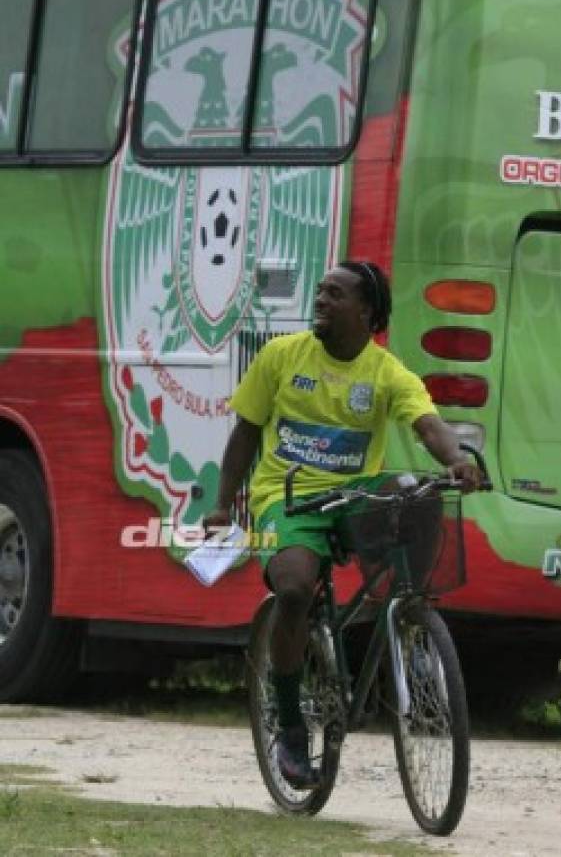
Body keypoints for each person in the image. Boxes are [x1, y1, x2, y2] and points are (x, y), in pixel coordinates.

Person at [206, 261, 481, 789]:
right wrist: (224, 504)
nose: (322, 299)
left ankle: (410, 625)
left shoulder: (387, 373)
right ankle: (289, 725)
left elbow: (428, 424)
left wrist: (456, 461)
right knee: (293, 591)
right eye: (320, 290)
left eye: (335, 293)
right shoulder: (282, 357)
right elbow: (245, 432)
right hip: (288, 503)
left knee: (416, 498)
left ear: (367, 312)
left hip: (354, 500)